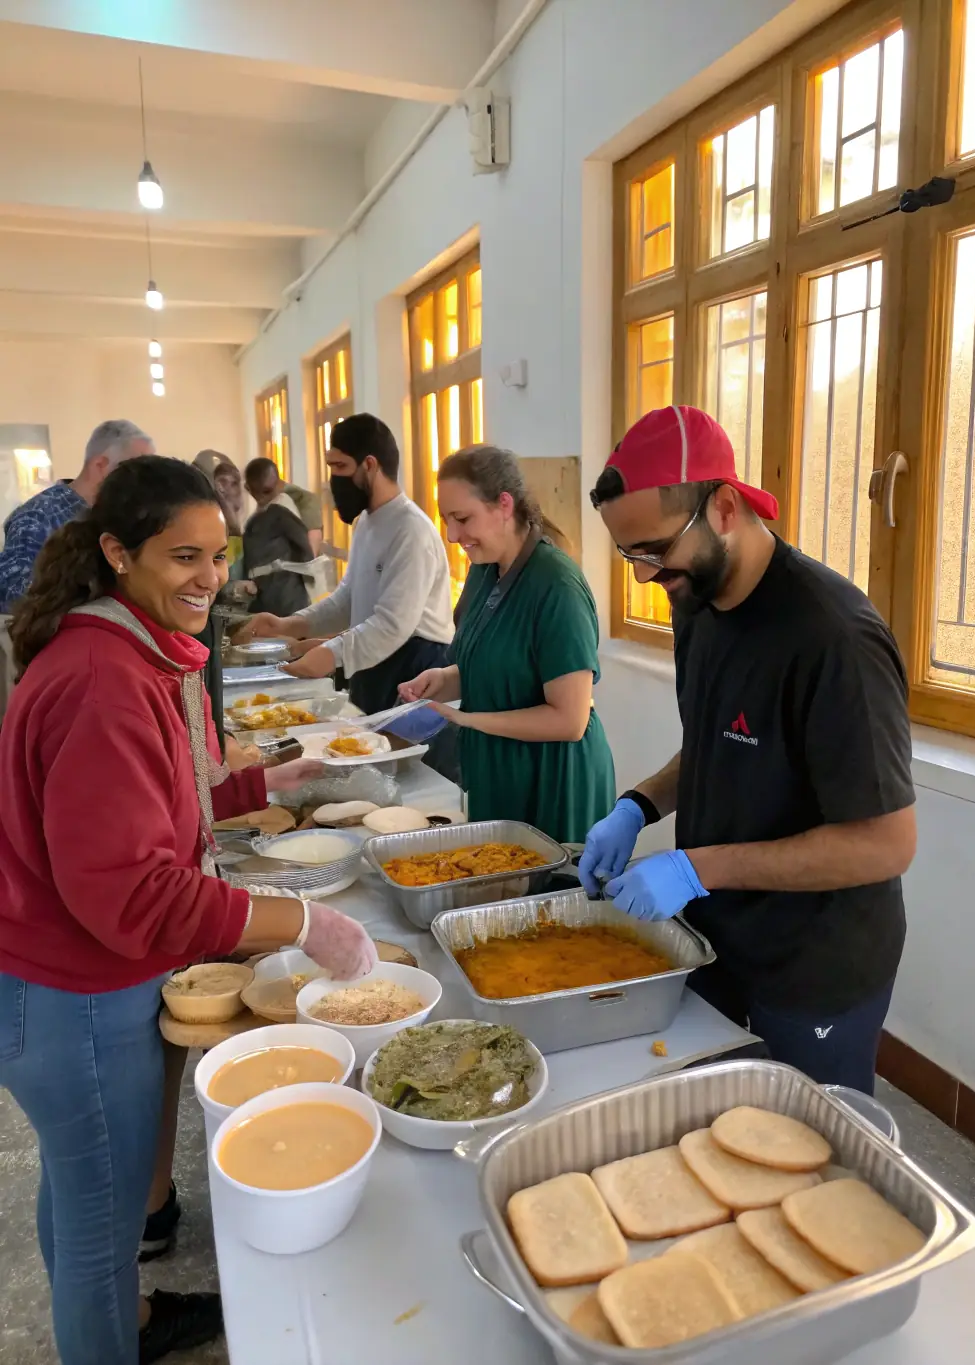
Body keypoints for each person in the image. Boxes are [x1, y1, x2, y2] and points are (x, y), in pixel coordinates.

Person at [0, 455, 377, 1365]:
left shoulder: (119, 648)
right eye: (183, 556)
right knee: (98, 1230)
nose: (209, 576)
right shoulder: (103, 680)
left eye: (217, 554)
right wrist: (301, 922)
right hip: (77, 997)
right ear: (118, 553)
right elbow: (128, 889)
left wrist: (255, 784)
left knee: (83, 1193)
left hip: (61, 984)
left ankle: (127, 1320)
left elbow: (148, 800)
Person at [580, 405, 916, 1093]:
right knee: (715, 1121)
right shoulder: (696, 604)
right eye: (630, 555)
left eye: (655, 550)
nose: (645, 576)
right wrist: (637, 806)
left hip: (814, 964)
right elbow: (718, 743)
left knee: (805, 1144)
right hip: (718, 937)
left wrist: (696, 866)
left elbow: (885, 844)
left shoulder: (834, 639)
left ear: (725, 507)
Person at [397, 445, 616, 845]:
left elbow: (569, 720)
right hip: (497, 769)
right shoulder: (484, 570)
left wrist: (469, 719)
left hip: (552, 776)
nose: (452, 536)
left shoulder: (557, 585)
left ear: (504, 505)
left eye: (463, 519)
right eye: (446, 520)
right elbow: (501, 664)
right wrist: (445, 679)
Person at [237, 414, 454, 715]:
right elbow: (348, 598)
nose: (333, 480)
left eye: (340, 466)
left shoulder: (410, 530)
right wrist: (290, 624)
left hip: (414, 668)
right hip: (374, 660)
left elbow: (392, 625)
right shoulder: (366, 522)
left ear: (369, 465)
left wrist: (329, 654)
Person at [0, 419, 154, 612]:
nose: (144, 485)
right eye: (136, 472)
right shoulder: (39, 516)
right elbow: (12, 593)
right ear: (101, 465)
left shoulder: (118, 513)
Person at [242, 457, 314, 617]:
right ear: (248, 488)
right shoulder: (257, 516)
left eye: (267, 491)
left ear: (279, 484)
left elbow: (305, 548)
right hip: (262, 597)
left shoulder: (281, 509)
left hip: (287, 598)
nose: (262, 497)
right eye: (257, 491)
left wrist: (311, 583)